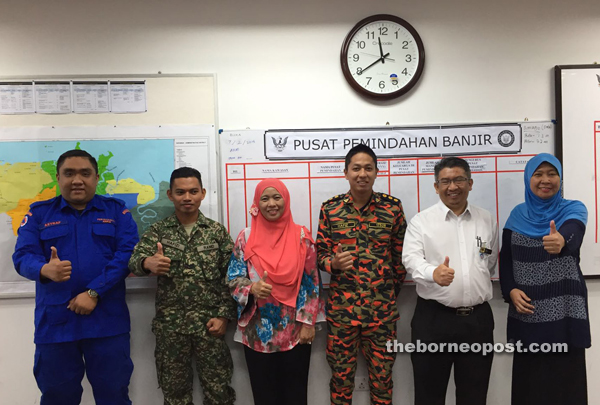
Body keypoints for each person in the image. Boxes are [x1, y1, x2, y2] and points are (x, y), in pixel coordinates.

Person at [12, 149, 139, 405]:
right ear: (58, 178)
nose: (77, 180)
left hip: (106, 322)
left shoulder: (116, 212)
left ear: (96, 177)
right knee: (58, 397)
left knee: (114, 396)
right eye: (69, 173)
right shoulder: (39, 214)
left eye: (85, 173)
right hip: (56, 324)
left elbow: (127, 255)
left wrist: (94, 292)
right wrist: (43, 269)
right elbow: (23, 255)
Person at [128, 167, 236, 405]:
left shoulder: (216, 232)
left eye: (193, 191)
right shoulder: (158, 231)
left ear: (203, 193)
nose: (187, 197)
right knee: (175, 395)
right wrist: (148, 263)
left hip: (210, 325)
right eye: (181, 192)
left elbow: (231, 277)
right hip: (171, 328)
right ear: (170, 195)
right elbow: (134, 262)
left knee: (219, 393)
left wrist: (224, 316)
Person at [402, 156, 498, 405]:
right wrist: (432, 273)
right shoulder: (421, 222)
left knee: (474, 396)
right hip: (433, 321)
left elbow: (488, 261)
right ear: (436, 186)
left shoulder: (486, 219)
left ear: (470, 183)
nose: (452, 186)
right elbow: (410, 259)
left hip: (477, 322)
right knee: (429, 396)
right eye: (445, 181)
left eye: (459, 180)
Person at [316, 144, 406, 405]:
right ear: (346, 173)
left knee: (382, 380)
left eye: (368, 168)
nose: (362, 173)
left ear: (377, 172)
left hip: (382, 315)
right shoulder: (330, 209)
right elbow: (319, 254)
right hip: (343, 314)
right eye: (356, 168)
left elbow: (400, 260)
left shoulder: (392, 208)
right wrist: (332, 264)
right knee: (341, 381)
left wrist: (387, 293)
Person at [500, 153, 590, 405]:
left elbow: (574, 232)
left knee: (567, 385)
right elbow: (505, 258)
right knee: (530, 386)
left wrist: (561, 240)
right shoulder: (517, 215)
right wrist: (510, 290)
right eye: (538, 174)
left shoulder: (573, 208)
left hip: (565, 312)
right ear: (528, 178)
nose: (545, 180)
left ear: (560, 179)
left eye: (552, 174)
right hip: (527, 311)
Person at [227, 178, 323, 405]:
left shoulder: (302, 237)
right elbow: (232, 277)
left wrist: (308, 323)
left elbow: (311, 282)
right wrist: (252, 288)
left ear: (285, 200)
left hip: (295, 331)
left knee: (295, 395)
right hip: (257, 333)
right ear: (256, 204)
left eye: (277, 197)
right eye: (265, 198)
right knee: (264, 396)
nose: (271, 203)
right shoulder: (246, 237)